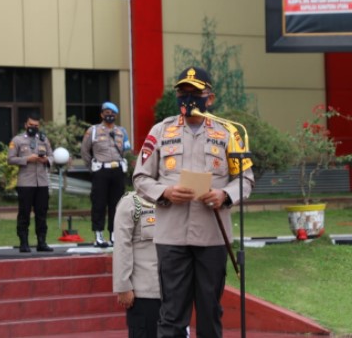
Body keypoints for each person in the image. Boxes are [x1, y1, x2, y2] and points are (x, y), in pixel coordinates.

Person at [133, 66, 254, 338]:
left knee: (210, 311)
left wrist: (225, 195)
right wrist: (165, 192)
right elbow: (140, 177)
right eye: (182, 92)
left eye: (195, 93)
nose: (188, 98)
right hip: (171, 237)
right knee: (172, 312)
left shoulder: (228, 133)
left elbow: (246, 179)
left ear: (209, 98)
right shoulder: (160, 131)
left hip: (212, 236)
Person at [81, 101, 131, 247]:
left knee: (117, 204)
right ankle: (99, 235)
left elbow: (127, 150)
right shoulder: (93, 130)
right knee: (99, 203)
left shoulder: (122, 131)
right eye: (107, 113)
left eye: (112, 114)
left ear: (116, 115)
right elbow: (84, 151)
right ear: (102, 114)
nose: (110, 116)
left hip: (117, 170)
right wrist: (92, 167)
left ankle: (114, 235)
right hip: (100, 170)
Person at [112, 191, 160, 338]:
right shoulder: (132, 203)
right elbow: (121, 247)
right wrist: (123, 286)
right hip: (145, 293)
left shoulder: (173, 202)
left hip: (174, 293)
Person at [7, 113, 54, 253]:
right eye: (31, 125)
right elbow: (10, 159)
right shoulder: (17, 140)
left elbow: (52, 155)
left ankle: (42, 242)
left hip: (42, 182)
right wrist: (27, 159)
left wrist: (47, 160)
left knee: (42, 213)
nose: (33, 128)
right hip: (26, 183)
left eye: (36, 126)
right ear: (25, 125)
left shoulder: (44, 139)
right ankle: (24, 242)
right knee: (24, 213)